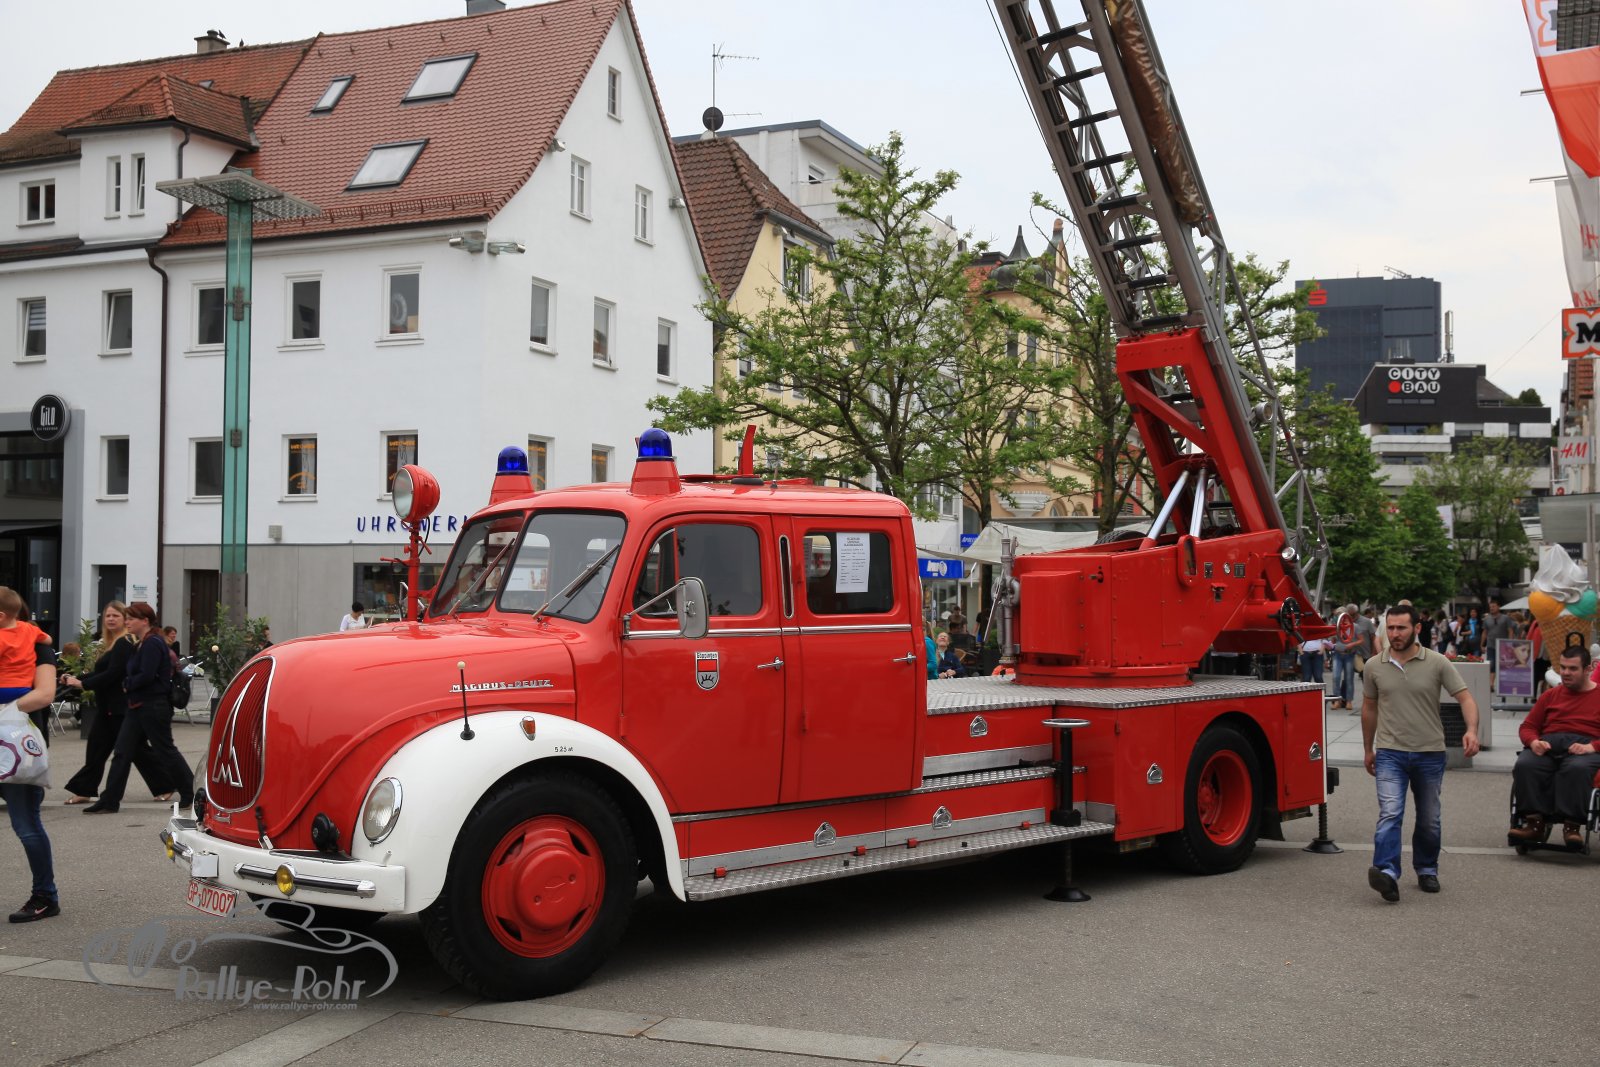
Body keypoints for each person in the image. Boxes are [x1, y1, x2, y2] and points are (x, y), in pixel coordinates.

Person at [1361, 603, 1480, 902]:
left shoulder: (1437, 662)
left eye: (1401, 628)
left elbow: (1466, 698)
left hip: (1429, 753)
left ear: (1416, 628)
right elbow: (1369, 708)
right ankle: (1387, 873)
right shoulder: (1374, 665)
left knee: (1429, 818)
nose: (1395, 634)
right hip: (1390, 752)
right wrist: (1367, 748)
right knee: (1390, 813)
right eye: (1390, 628)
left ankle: (1427, 868)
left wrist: (1471, 730)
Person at [59, 601, 175, 805]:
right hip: (109, 706)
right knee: (100, 748)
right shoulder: (112, 643)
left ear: (125, 620)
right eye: (107, 616)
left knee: (135, 750)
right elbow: (104, 672)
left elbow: (114, 674)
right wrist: (78, 679)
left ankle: (166, 784)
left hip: (120, 706)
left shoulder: (124, 643)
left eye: (116, 616)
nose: (111, 619)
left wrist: (82, 684)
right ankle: (85, 789)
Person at [84, 602, 194, 815]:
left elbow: (147, 674)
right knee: (122, 752)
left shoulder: (153, 643)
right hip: (137, 706)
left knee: (165, 750)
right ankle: (109, 800)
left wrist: (128, 684)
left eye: (131, 619)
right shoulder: (141, 643)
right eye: (126, 618)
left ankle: (191, 793)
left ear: (145, 621)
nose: (127, 622)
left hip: (153, 705)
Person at [0, 587, 60, 922]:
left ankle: (45, 896)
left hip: (18, 748)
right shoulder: (34, 636)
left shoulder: (38, 646)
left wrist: (5, 710)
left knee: (25, 824)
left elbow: (45, 694)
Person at [1508, 644, 1600, 848]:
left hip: (1585, 746)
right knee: (1526, 764)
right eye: (1563, 667)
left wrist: (1592, 747)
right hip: (1550, 743)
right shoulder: (1550, 695)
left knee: (1577, 768)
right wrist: (1534, 742)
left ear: (1588, 669)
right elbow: (1528, 726)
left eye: (1573, 668)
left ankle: (1572, 825)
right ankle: (1534, 823)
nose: (1566, 673)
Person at [1330, 603, 1364, 710]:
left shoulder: (1354, 626)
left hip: (1349, 654)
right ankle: (1337, 700)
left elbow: (1361, 640)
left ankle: (1349, 701)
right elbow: (1333, 641)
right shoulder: (1336, 627)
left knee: (1349, 678)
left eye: (1339, 615)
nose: (1338, 618)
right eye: (1337, 616)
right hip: (1337, 654)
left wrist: (1352, 644)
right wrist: (1331, 645)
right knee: (1335, 677)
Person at [1481, 601, 1513, 667]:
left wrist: (1510, 643)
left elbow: (1510, 631)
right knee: (1491, 665)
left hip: (1503, 646)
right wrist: (1482, 644)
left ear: (1498, 607)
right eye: (1490, 607)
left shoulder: (1506, 618)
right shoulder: (1486, 619)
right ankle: (1491, 674)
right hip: (1490, 646)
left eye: (1493, 606)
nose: (1491, 608)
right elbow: (1484, 632)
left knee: (1502, 666)